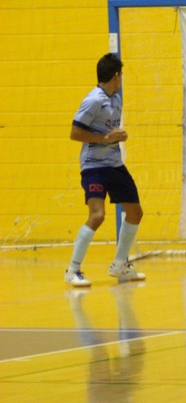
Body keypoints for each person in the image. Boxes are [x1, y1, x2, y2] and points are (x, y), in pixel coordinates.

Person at [65, 53, 146, 287]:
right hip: (94, 166)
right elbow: (75, 133)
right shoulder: (93, 101)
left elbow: (111, 132)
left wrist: (117, 137)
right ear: (115, 76)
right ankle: (73, 269)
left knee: (135, 212)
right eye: (121, 75)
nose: (121, 79)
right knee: (98, 215)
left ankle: (120, 264)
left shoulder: (116, 98)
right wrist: (106, 137)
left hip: (115, 165)